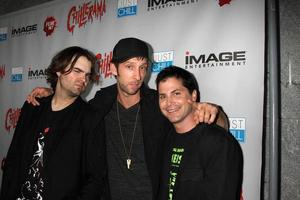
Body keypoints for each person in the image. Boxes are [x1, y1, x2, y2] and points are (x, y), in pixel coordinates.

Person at [25, 37, 229, 200]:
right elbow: (69, 109)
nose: (138, 75)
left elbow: (217, 125)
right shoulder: (100, 103)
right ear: (113, 69)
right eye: (129, 67)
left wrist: (213, 111)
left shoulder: (158, 103)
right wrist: (50, 93)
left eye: (143, 67)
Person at [0, 46, 106, 200]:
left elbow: (95, 178)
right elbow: (13, 159)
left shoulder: (90, 118)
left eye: (87, 75)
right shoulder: (33, 106)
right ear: (59, 70)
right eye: (77, 71)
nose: (83, 80)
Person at [156, 66, 243, 200]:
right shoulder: (165, 137)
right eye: (163, 96)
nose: (169, 102)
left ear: (193, 95)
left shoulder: (219, 143)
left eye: (176, 93)